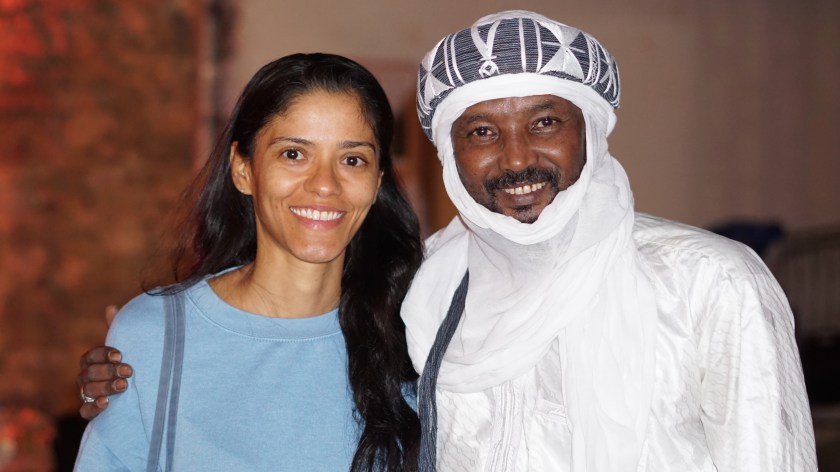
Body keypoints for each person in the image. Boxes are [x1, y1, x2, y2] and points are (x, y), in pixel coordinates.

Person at [80, 10, 817, 471]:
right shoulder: (432, 290)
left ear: (592, 129)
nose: (517, 157)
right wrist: (128, 368)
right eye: (482, 131)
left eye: (546, 121)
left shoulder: (710, 282)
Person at [74, 53, 422, 471]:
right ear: (242, 169)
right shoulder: (156, 335)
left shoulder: (417, 335)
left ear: (377, 180)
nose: (325, 184)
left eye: (352, 160)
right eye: (293, 154)